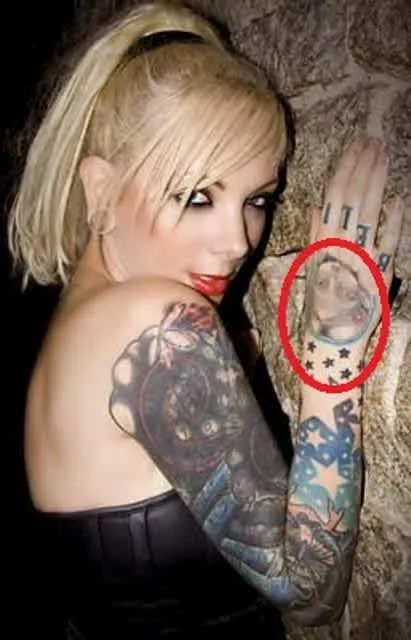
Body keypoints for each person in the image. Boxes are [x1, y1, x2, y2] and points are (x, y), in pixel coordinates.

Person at [7, 1, 404, 638]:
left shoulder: (72, 333)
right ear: (101, 191)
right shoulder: (156, 322)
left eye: (257, 199)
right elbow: (310, 595)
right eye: (197, 196)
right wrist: (335, 346)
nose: (239, 241)